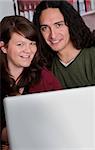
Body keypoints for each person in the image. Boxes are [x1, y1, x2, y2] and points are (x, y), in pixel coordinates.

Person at [0, 15, 62, 150]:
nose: (28, 50)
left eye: (32, 43)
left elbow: (60, 114)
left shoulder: (44, 77)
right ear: (3, 47)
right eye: (20, 44)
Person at [33, 0, 95, 89]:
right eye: (45, 28)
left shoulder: (92, 56)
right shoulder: (45, 69)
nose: (53, 35)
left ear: (71, 24)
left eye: (58, 25)